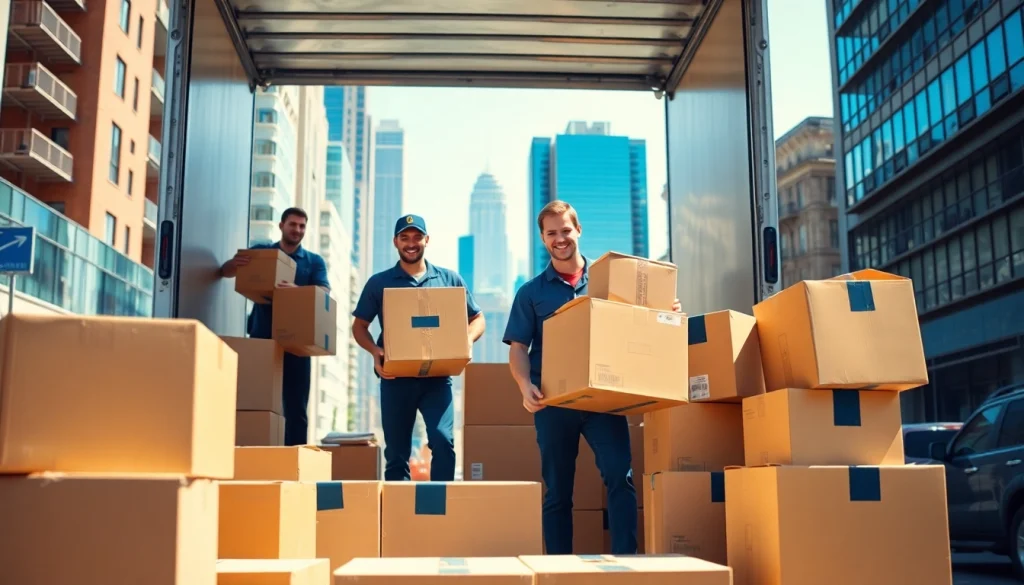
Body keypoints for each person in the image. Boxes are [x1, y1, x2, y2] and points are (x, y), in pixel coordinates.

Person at [503, 200, 682, 555]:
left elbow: (644, 319)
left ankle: (626, 562)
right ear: (543, 238)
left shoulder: (609, 280)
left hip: (605, 398)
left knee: (621, 477)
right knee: (557, 491)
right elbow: (518, 347)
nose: (560, 239)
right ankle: (557, 569)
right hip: (554, 402)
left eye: (565, 230)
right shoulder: (532, 292)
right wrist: (525, 386)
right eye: (551, 233)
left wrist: (667, 309)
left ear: (578, 230)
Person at [351, 214, 486, 481]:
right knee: (397, 454)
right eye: (405, 238)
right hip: (396, 378)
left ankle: (440, 509)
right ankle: (399, 516)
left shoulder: (449, 279)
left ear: (427, 240)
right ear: (395, 242)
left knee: (443, 441)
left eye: (416, 237)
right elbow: (359, 327)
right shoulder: (379, 282)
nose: (411, 243)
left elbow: (477, 318)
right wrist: (375, 352)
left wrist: (467, 340)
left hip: (437, 378)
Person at [220, 207, 330, 446]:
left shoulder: (313, 262)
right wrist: (234, 263)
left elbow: (324, 292)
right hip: (262, 337)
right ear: (281, 226)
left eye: (302, 226)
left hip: (297, 343)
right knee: (256, 402)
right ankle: (253, 452)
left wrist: (297, 291)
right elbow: (226, 272)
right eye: (293, 224)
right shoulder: (263, 253)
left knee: (296, 408)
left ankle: (295, 461)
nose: (297, 230)